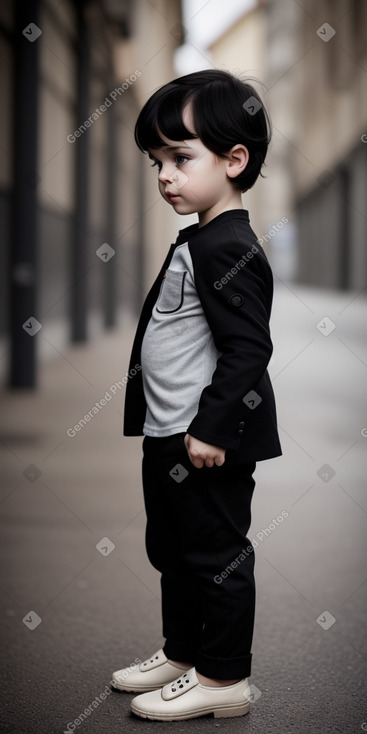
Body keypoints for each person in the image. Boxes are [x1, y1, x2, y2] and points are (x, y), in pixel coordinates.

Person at [111, 69, 282, 721]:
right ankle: (183, 652)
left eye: (180, 158)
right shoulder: (200, 240)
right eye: (158, 161)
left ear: (234, 160)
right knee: (173, 550)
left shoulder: (228, 246)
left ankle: (222, 678)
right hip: (170, 434)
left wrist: (211, 427)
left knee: (215, 555)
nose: (164, 175)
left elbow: (248, 348)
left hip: (205, 441)